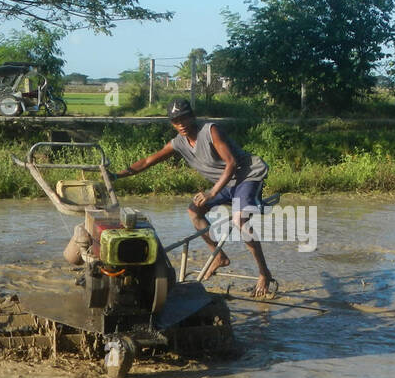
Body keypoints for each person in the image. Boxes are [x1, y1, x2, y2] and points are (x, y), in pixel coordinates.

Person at [114, 98, 276, 297]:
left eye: (184, 118)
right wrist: (117, 175)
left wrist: (212, 192)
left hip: (246, 176)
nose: (181, 124)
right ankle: (219, 256)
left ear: (192, 116)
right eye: (175, 121)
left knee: (239, 219)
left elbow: (231, 163)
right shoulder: (178, 143)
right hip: (226, 183)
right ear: (172, 123)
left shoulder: (210, 131)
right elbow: (148, 160)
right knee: (193, 211)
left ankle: (263, 273)